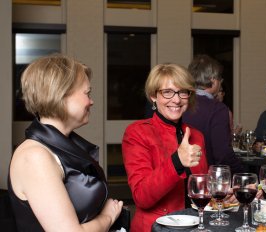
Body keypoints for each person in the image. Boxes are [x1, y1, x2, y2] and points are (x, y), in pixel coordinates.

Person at [7, 54, 124, 231]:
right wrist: (108, 217)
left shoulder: (64, 144)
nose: (91, 101)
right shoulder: (34, 156)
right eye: (87, 93)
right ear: (61, 95)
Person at [122, 63, 208, 232]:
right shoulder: (137, 133)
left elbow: (201, 188)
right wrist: (177, 161)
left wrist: (226, 192)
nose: (176, 99)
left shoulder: (197, 135)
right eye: (167, 92)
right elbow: (142, 197)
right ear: (154, 96)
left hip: (196, 227)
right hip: (157, 228)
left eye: (183, 92)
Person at [182, 54, 245, 174]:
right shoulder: (217, 109)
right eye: (220, 79)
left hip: (179, 177)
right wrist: (241, 174)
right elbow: (222, 154)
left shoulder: (179, 104)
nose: (221, 83)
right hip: (206, 179)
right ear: (213, 80)